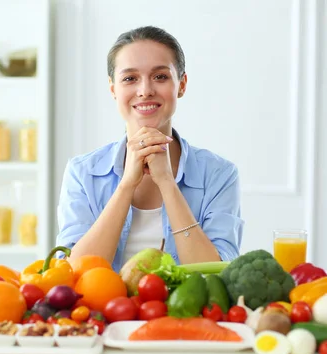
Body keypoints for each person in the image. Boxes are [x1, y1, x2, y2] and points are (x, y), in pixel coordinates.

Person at [55, 26, 244, 272]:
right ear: (113, 89)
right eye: (130, 78)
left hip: (185, 311)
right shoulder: (82, 173)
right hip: (103, 311)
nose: (145, 90)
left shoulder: (220, 174)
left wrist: (167, 182)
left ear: (182, 85)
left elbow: (217, 273)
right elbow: (74, 273)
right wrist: (126, 186)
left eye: (160, 77)